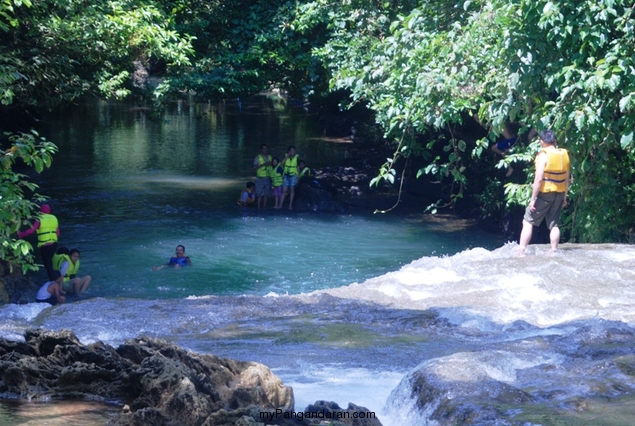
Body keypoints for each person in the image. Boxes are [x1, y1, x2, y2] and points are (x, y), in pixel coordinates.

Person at [518, 129, 570, 256]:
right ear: (555, 141)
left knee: (528, 220)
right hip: (559, 193)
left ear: (542, 142)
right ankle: (553, 250)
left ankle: (522, 251)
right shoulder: (563, 155)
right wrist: (564, 196)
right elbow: (567, 178)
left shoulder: (543, 156)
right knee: (554, 223)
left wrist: (533, 199)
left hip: (545, 193)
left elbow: (539, 178)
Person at [17, 204, 60, 280]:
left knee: (47, 263)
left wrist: (21, 234)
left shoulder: (39, 219)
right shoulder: (54, 218)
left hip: (45, 245)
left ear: (41, 211)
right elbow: (58, 233)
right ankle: (55, 278)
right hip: (54, 244)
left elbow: (31, 230)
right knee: (50, 262)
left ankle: (53, 280)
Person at [279, 145, 299, 210]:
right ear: (289, 151)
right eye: (291, 150)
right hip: (286, 175)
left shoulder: (297, 158)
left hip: (293, 175)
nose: (292, 152)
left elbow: (298, 167)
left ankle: (290, 205)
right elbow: (282, 163)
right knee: (284, 190)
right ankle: (280, 205)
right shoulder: (286, 156)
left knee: (291, 189)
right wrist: (287, 156)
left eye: (293, 150)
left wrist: (297, 177)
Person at [253, 143, 272, 209]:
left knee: (266, 193)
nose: (265, 150)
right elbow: (255, 167)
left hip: (268, 177)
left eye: (266, 148)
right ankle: (258, 207)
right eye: (264, 148)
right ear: (261, 150)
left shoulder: (270, 157)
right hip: (260, 178)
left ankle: (264, 206)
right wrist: (263, 164)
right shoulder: (257, 157)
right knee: (259, 193)